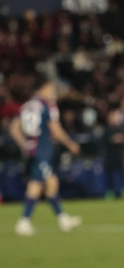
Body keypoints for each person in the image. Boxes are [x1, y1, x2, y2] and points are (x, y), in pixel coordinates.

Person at [10, 79, 82, 235]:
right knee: (38, 183)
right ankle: (24, 221)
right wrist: (70, 144)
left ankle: (63, 219)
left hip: (33, 150)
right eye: (50, 88)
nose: (53, 92)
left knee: (51, 182)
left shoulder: (27, 106)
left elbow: (14, 128)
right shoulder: (47, 106)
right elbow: (55, 129)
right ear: (43, 88)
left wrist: (24, 144)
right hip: (42, 150)